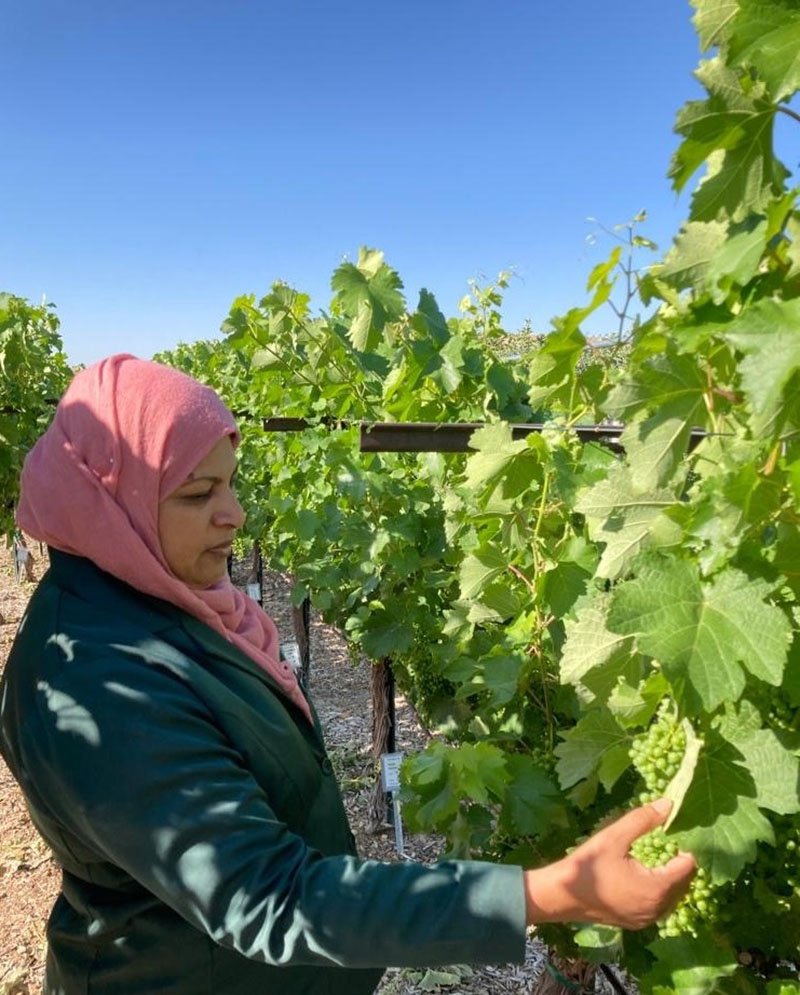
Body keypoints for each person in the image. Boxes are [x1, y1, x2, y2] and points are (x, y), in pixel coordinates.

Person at [0, 354, 696, 995]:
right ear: (111, 499)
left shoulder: (159, 600)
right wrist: (548, 892)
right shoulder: (100, 678)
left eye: (232, 483)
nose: (235, 514)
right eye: (196, 494)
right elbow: (270, 896)